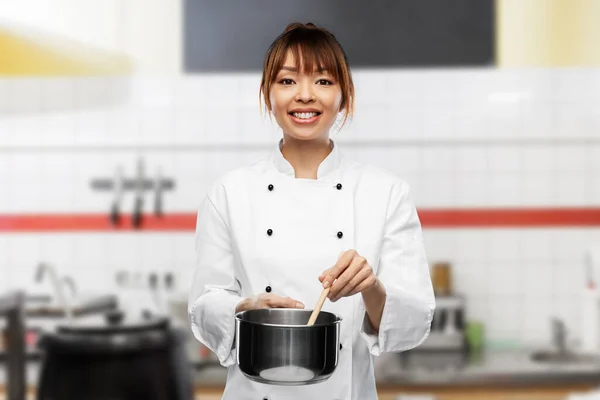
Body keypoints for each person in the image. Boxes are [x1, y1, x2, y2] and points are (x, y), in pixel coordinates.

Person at [188, 22, 435, 400]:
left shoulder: (386, 193)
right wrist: (244, 307)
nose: (305, 96)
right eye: (287, 82)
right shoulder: (228, 192)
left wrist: (370, 286)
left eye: (322, 81)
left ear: (344, 96)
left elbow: (414, 322)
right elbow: (204, 305)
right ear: (268, 95)